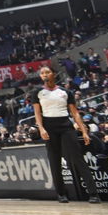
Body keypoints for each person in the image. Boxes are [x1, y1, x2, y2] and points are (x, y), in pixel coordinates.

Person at [33, 65, 100, 203]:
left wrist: (83, 131)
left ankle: (93, 193)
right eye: (42, 73)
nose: (44, 75)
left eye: (47, 72)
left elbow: (74, 113)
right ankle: (61, 193)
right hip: (49, 126)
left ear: (54, 74)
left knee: (77, 157)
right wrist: (41, 129)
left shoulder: (65, 92)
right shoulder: (37, 92)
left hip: (65, 126)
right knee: (55, 159)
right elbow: (37, 113)